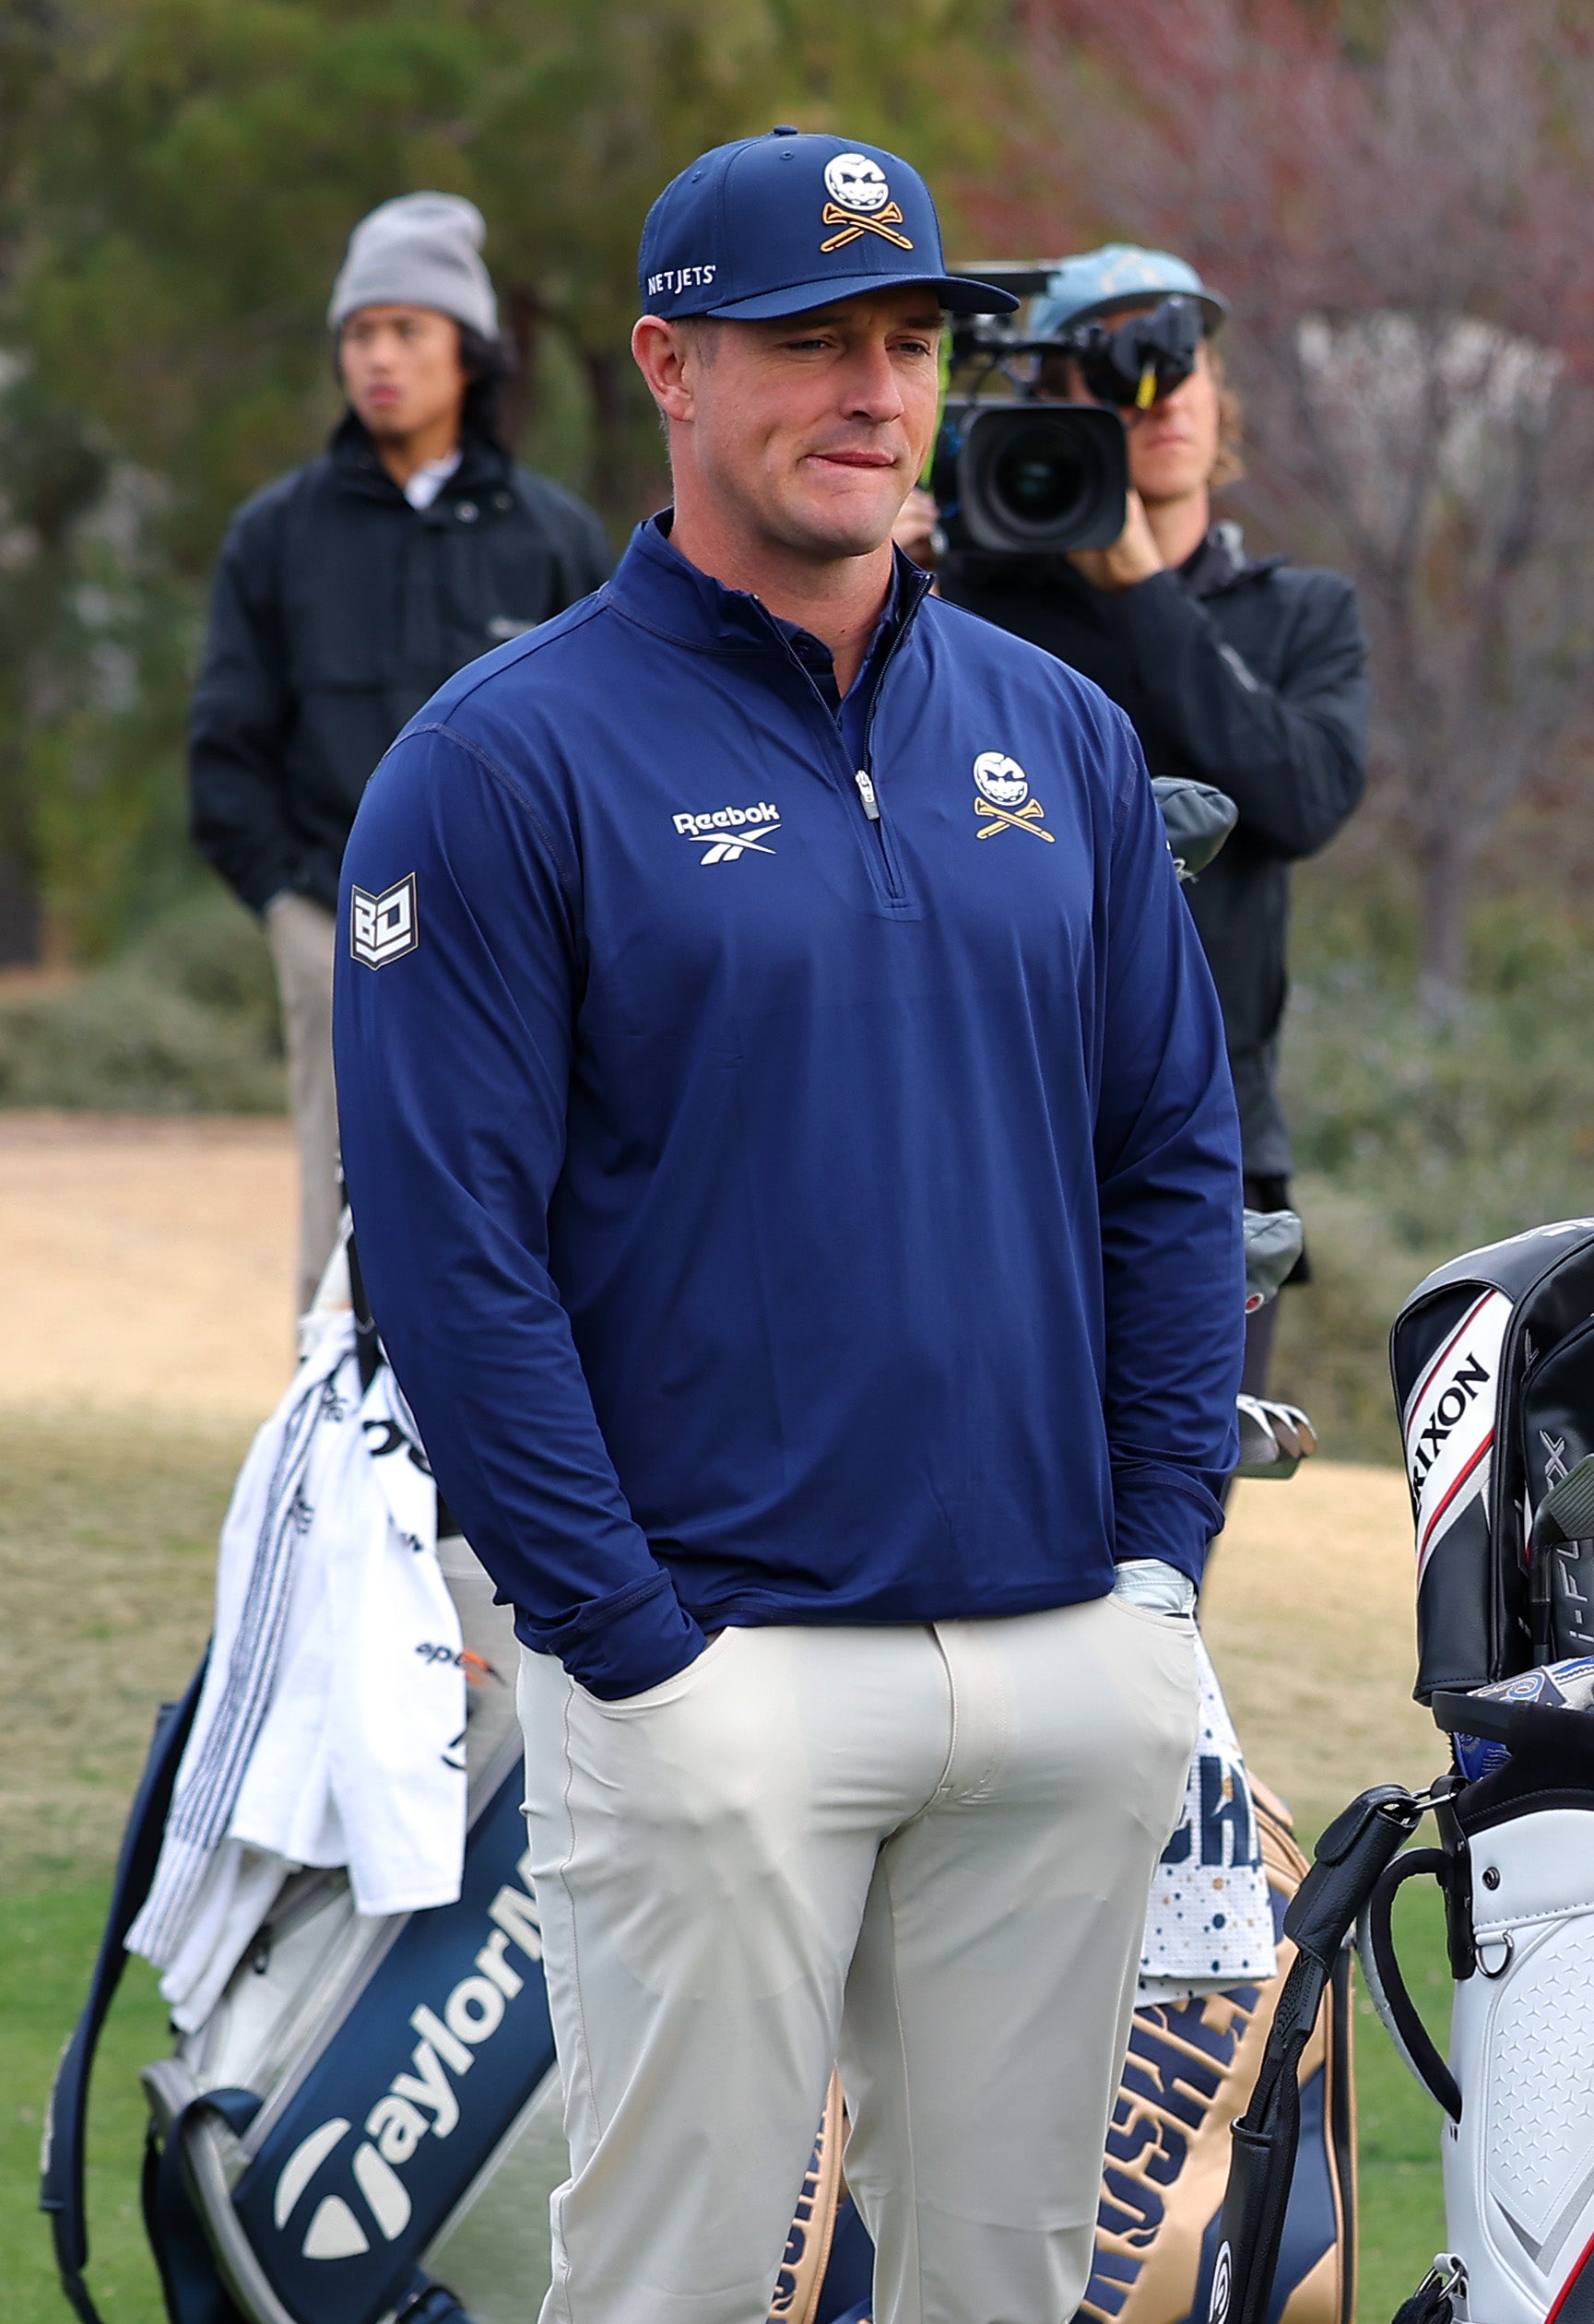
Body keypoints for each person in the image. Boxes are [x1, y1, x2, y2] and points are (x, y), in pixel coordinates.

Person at [333, 130, 1236, 2324]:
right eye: (807, 342)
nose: (872, 388)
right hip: (710, 1664)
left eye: (909, 341)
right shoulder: (502, 761)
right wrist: (630, 1644)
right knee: (669, 2291)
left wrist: (1157, 1571)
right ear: (666, 362)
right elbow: (453, 1255)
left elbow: (1171, 1162)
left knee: (1007, 2295)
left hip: (1056, 1662)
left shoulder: (1062, 736)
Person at [917, 245, 1367, 1404]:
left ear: (1222, 392)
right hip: (991, 1125)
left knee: (1172, 1519)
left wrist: (1140, 591)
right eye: (1112, 366)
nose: (1154, 398)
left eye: (1180, 361)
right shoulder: (968, 612)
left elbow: (1302, 796)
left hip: (1215, 1132)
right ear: (1050, 403)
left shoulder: (1298, 613)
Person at [189, 191, 607, 1315]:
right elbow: (225, 750)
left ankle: (508, 1477)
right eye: (359, 333)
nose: (378, 358)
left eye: (406, 331)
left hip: (526, 938)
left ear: (467, 352)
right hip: (338, 928)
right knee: (342, 1223)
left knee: (547, 1200)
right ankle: (333, 1475)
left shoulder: (553, 536)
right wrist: (292, 913)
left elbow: (610, 735)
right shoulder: (277, 537)